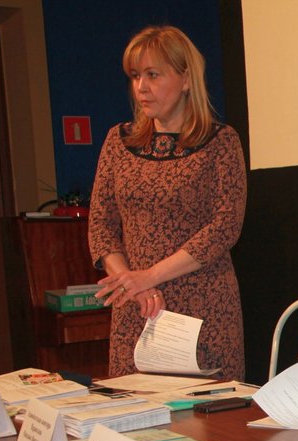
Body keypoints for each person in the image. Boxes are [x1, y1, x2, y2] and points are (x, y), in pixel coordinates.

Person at [89, 25, 247, 380]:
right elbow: (100, 225)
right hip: (136, 306)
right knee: (133, 407)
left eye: (153, 75)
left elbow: (225, 227)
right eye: (135, 76)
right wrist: (133, 284)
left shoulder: (221, 142)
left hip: (202, 308)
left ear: (186, 79)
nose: (141, 87)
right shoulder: (118, 141)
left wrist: (149, 277)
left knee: (206, 411)